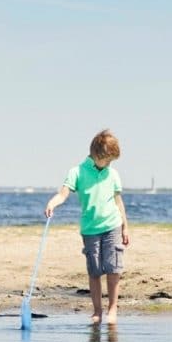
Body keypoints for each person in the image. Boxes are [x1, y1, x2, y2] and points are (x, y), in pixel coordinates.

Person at [45, 128, 131, 325]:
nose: (110, 164)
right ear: (98, 155)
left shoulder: (112, 174)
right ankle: (97, 311)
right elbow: (63, 194)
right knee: (94, 271)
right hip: (90, 230)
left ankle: (112, 309)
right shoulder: (77, 172)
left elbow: (119, 202)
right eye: (108, 160)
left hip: (112, 226)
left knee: (113, 268)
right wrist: (52, 203)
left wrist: (125, 227)